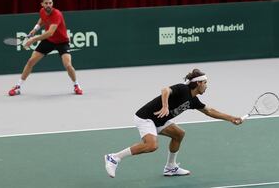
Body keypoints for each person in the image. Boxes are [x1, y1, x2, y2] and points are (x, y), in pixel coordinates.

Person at [104, 69, 242, 178]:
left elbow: (209, 111)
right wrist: (165, 106)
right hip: (146, 117)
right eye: (205, 82)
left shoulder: (194, 100)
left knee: (179, 134)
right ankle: (114, 157)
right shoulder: (183, 89)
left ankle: (170, 167)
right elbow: (165, 90)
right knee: (151, 145)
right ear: (199, 83)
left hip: (159, 120)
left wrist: (231, 118)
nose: (207, 86)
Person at [8, 0, 83, 96]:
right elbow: (42, 19)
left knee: (68, 65)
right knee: (30, 61)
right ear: (42, 4)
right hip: (49, 41)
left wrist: (34, 39)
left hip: (62, 42)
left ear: (52, 4)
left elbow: (50, 32)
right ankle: (18, 86)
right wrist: (35, 29)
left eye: (50, 3)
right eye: (46, 3)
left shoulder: (57, 14)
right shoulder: (42, 11)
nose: (48, 5)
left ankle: (76, 85)